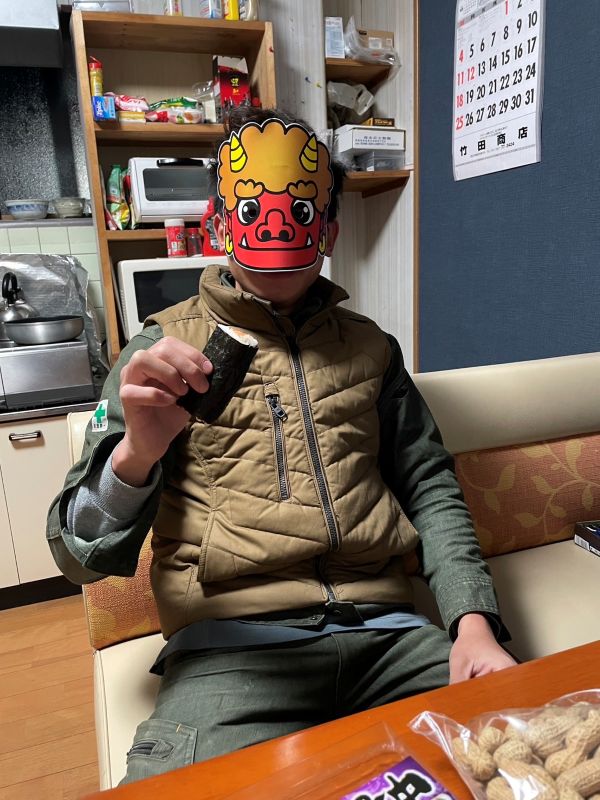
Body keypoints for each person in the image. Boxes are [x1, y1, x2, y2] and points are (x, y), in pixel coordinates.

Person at [47, 106, 516, 785]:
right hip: (231, 653)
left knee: (532, 760)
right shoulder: (161, 351)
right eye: (251, 210)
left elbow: (429, 483)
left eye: (299, 212)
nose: (274, 228)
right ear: (219, 221)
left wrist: (473, 622)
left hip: (389, 635)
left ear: (328, 229)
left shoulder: (372, 348)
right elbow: (74, 554)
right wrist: (134, 457)